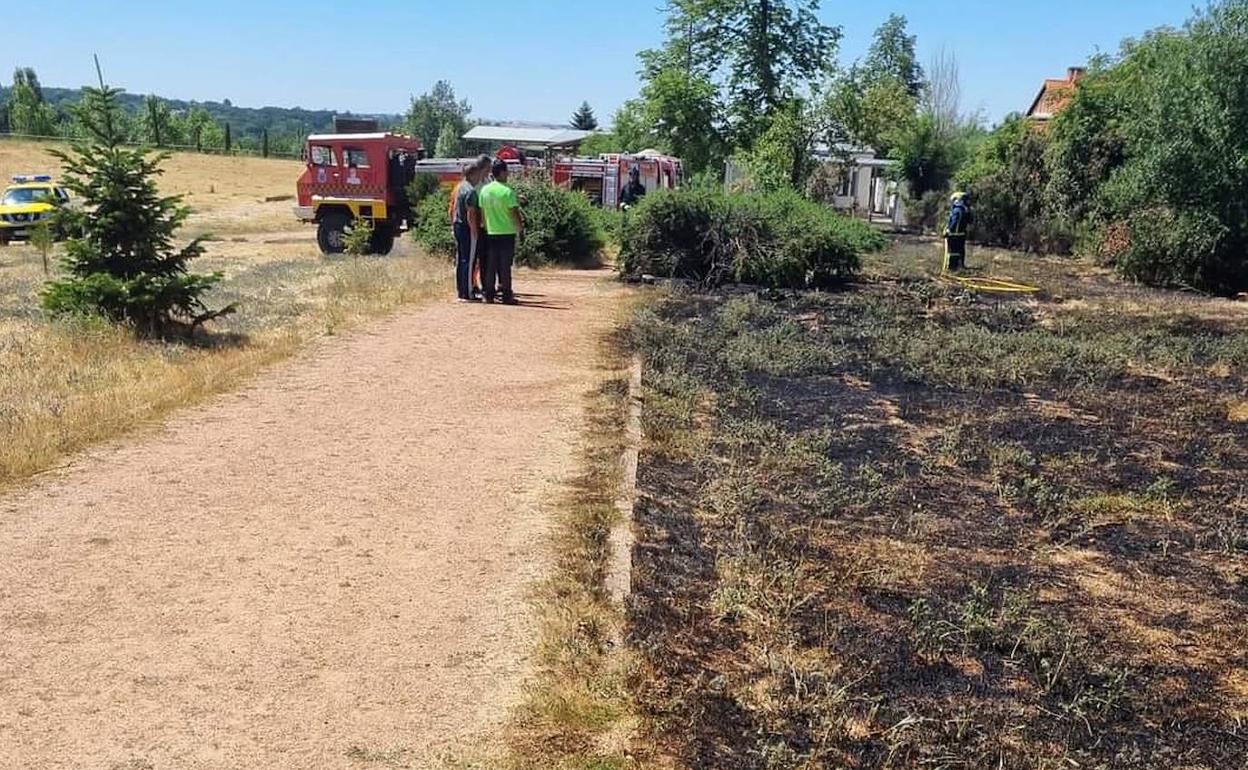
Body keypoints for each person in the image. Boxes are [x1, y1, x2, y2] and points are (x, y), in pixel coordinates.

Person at [477, 158, 524, 304]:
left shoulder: (485, 190)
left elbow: (482, 212)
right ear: (502, 173)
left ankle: (488, 294)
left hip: (490, 232)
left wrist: (485, 226)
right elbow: (514, 212)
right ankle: (506, 294)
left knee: (490, 264)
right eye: (507, 172)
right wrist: (520, 228)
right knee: (505, 266)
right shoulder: (508, 191)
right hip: (506, 232)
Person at [450, 157, 487, 301]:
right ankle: (467, 292)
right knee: (469, 260)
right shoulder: (471, 191)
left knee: (461, 260)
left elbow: (453, 208)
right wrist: (475, 231)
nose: (479, 178)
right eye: (478, 175)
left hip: (458, 225)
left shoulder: (459, 187)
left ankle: (461, 291)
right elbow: (471, 213)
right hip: (467, 228)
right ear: (472, 174)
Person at [943, 191, 973, 273]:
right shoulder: (965, 209)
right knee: (960, 250)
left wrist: (949, 230)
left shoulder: (957, 210)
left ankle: (953, 267)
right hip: (962, 234)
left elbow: (955, 221)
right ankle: (960, 265)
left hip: (955, 234)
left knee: (953, 251)